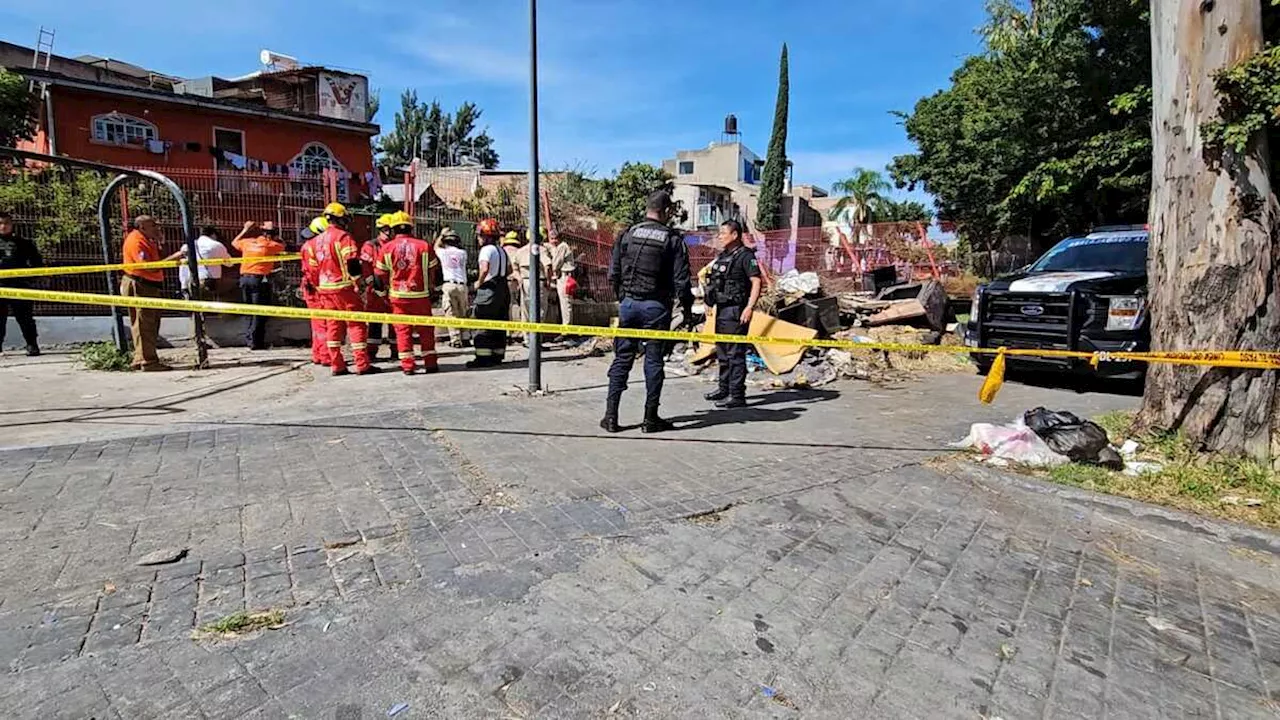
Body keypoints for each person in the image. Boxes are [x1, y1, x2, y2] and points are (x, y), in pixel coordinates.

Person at [601, 191, 693, 433]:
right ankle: (650, 418)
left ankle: (611, 417)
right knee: (653, 362)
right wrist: (687, 309)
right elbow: (682, 281)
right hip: (656, 307)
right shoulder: (672, 239)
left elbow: (613, 273)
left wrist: (624, 298)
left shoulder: (628, 234)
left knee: (622, 358)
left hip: (629, 305)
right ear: (666, 211)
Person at [310, 202, 377, 375]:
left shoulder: (315, 241)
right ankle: (362, 364)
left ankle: (337, 365)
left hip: (325, 289)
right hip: (344, 289)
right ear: (341, 219)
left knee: (333, 325)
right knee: (356, 324)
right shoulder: (343, 237)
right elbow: (352, 263)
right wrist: (359, 282)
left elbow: (313, 268)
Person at [703, 220, 763, 408]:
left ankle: (737, 395)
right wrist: (708, 302)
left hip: (737, 310)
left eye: (723, 233)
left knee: (735, 353)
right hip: (721, 309)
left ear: (735, 235)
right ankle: (724, 389)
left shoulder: (746, 256)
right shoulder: (723, 256)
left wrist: (749, 307)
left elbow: (756, 282)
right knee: (722, 351)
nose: (720, 236)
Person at [376, 212, 439, 375]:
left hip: (398, 297)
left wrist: (382, 294)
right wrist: (433, 288)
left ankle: (408, 365)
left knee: (403, 331)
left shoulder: (387, 248)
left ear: (393, 229)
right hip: (420, 296)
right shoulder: (424, 246)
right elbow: (434, 271)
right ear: (411, 227)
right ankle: (430, 363)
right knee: (426, 331)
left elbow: (379, 276)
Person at [232, 220, 286, 350]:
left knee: (248, 310)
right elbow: (283, 245)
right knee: (259, 311)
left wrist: (245, 230)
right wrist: (276, 236)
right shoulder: (270, 245)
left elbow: (234, 242)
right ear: (271, 235)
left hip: (244, 279)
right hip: (259, 280)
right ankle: (256, 342)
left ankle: (249, 339)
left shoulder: (247, 242)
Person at [0, 211, 44, 356]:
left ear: (11, 225)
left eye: (6, 223)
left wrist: (29, 278)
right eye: (0, 223)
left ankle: (32, 345)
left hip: (19, 285)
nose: (3, 226)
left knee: (25, 318)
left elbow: (37, 263)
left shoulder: (23, 243)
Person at [468, 218, 510, 368]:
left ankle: (483, 357)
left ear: (486, 236)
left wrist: (478, 283)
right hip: (503, 289)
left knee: (481, 321)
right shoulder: (502, 251)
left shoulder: (486, 250)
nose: (478, 238)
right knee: (499, 322)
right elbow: (509, 269)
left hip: (489, 290)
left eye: (480, 235)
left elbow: (484, 268)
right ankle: (497, 355)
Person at [362, 214, 395, 361]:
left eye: (390, 229)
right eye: (385, 230)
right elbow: (366, 268)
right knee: (375, 323)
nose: (388, 233)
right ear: (380, 230)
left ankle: (396, 350)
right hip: (375, 291)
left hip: (393, 289)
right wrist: (373, 285)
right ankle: (371, 352)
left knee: (395, 323)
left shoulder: (396, 245)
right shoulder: (371, 246)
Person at [298, 216, 330, 366]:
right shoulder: (313, 247)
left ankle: (317, 354)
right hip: (316, 288)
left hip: (311, 287)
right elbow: (314, 271)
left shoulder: (307, 246)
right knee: (322, 323)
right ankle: (325, 356)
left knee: (317, 323)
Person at [513, 226, 551, 345]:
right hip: (539, 281)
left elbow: (514, 268)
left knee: (525, 310)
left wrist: (519, 279)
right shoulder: (541, 249)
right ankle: (537, 340)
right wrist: (548, 280)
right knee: (540, 310)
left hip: (525, 282)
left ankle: (527, 339)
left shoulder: (520, 251)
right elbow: (548, 266)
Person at [435, 227, 470, 348]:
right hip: (462, 285)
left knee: (451, 312)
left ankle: (455, 339)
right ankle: (466, 337)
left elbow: (435, 247)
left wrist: (441, 234)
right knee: (463, 312)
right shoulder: (463, 253)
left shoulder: (443, 252)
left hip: (449, 284)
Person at [175, 224, 231, 298]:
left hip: (192, 280)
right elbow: (229, 263)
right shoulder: (216, 245)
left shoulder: (188, 245)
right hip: (210, 281)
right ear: (213, 234)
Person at [547, 230, 577, 331]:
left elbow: (556, 263)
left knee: (565, 304)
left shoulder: (562, 247)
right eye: (552, 239)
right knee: (563, 303)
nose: (554, 241)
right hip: (563, 277)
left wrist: (549, 271)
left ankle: (566, 330)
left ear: (559, 238)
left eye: (555, 238)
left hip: (564, 278)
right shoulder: (559, 246)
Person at [501, 230, 522, 329]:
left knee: (505, 305)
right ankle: (516, 330)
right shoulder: (519, 251)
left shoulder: (502, 250)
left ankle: (507, 331)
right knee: (514, 303)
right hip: (516, 280)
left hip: (504, 280)